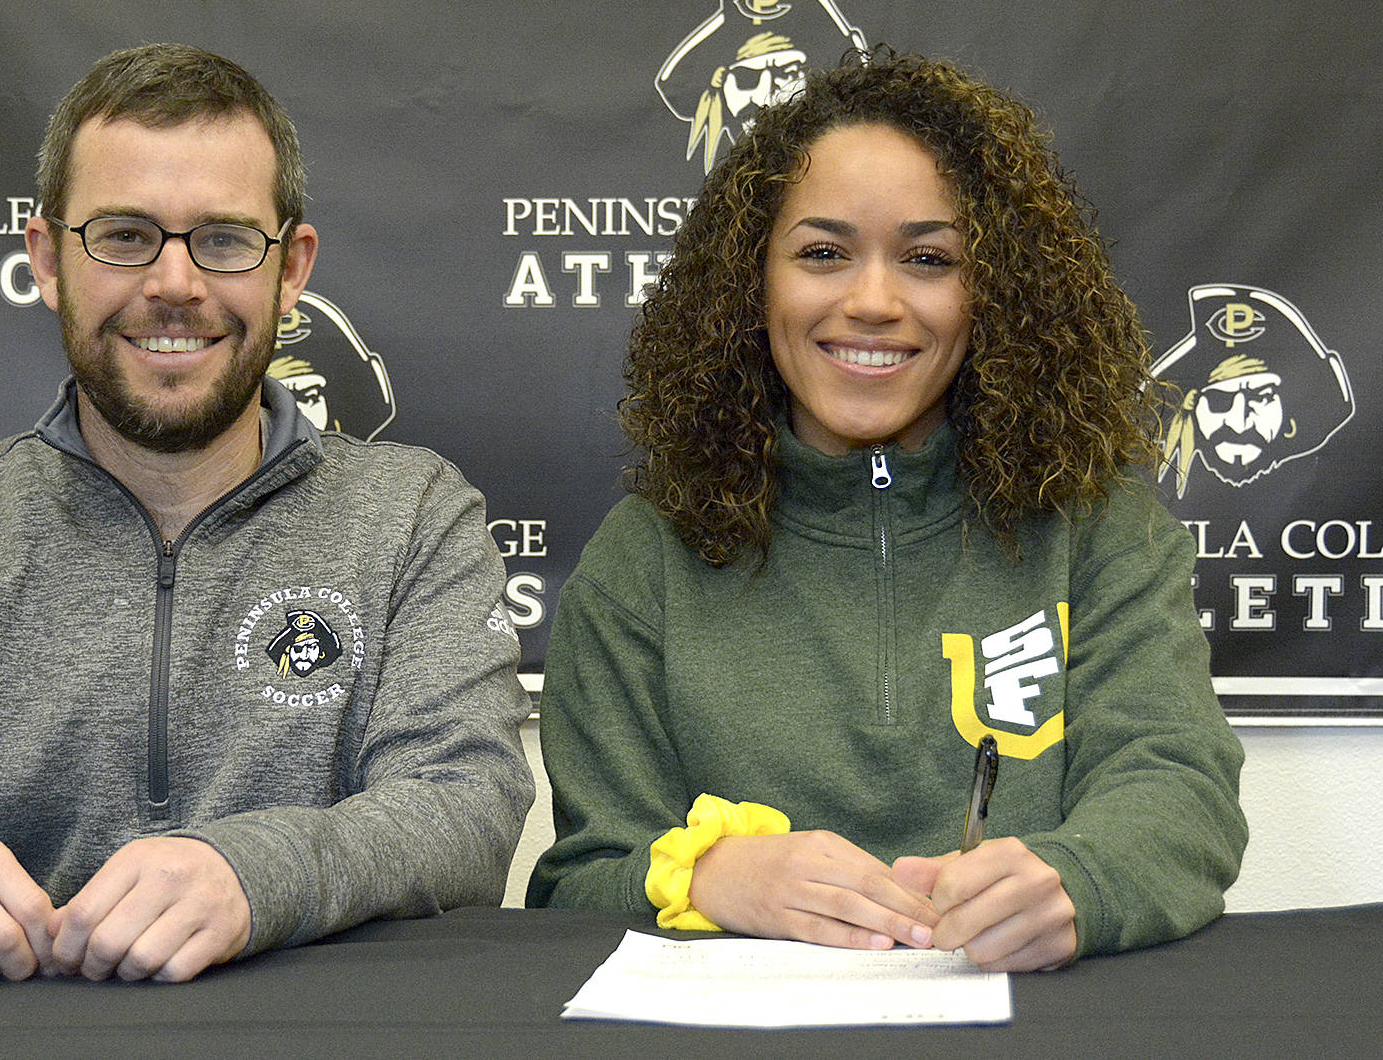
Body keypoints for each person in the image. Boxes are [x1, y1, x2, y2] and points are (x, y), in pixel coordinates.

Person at [0, 44, 533, 983]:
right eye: (125, 236)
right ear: (48, 259)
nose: (174, 285)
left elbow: (467, 802)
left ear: (290, 269)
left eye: (222, 238)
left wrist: (252, 875)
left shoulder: (412, 516)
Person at [527, 49, 1246, 973]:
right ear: (752, 282)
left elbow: (1180, 792)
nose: (873, 301)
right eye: (823, 253)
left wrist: (1076, 881)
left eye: (929, 258)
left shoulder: (1099, 527)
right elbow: (578, 883)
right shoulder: (644, 557)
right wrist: (709, 878)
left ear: (996, 292)